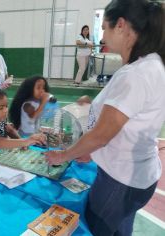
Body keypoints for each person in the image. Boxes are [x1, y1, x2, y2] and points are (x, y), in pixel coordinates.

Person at [46, 0, 165, 235]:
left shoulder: (135, 74)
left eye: (105, 27)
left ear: (120, 25)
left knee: (97, 228)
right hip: (138, 176)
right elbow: (126, 122)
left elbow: (101, 135)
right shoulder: (152, 65)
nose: (102, 34)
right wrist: (91, 146)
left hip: (119, 182)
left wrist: (64, 155)